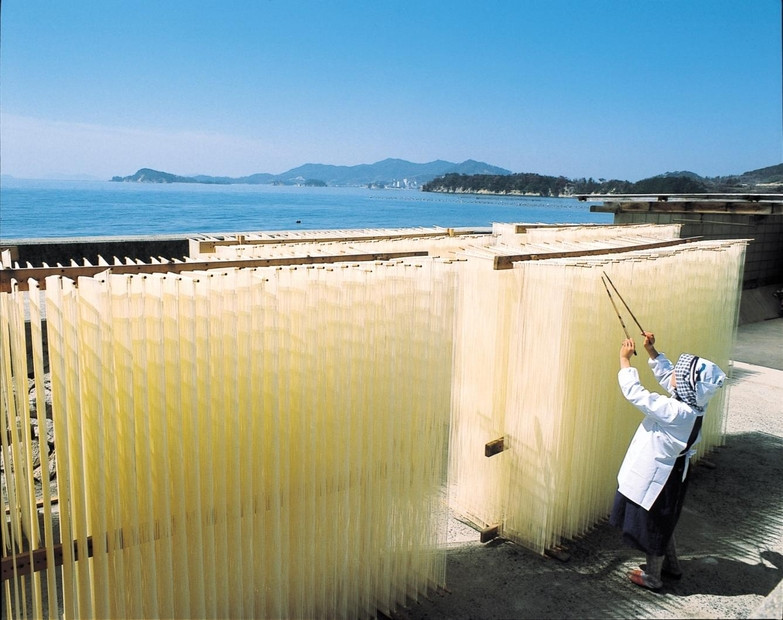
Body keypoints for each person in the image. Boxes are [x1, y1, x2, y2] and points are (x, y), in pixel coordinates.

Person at [609, 331, 726, 591]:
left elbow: (637, 395)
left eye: (678, 374)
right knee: (664, 521)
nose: (672, 375)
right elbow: (669, 377)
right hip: (673, 475)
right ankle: (671, 566)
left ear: (686, 386)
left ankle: (653, 576)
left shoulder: (676, 411)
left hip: (660, 479)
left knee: (653, 526)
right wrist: (652, 351)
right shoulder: (694, 403)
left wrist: (625, 361)